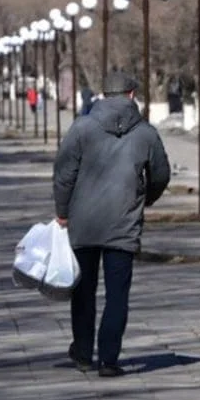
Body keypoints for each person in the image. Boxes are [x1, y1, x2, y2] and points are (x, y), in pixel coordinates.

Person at [53, 71, 170, 377]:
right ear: (132, 95)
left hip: (84, 221)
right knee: (118, 294)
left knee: (83, 290)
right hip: (124, 223)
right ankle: (108, 359)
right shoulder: (146, 133)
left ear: (103, 95)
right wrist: (146, 199)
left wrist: (62, 211)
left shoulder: (82, 127)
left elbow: (64, 173)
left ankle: (81, 352)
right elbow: (161, 175)